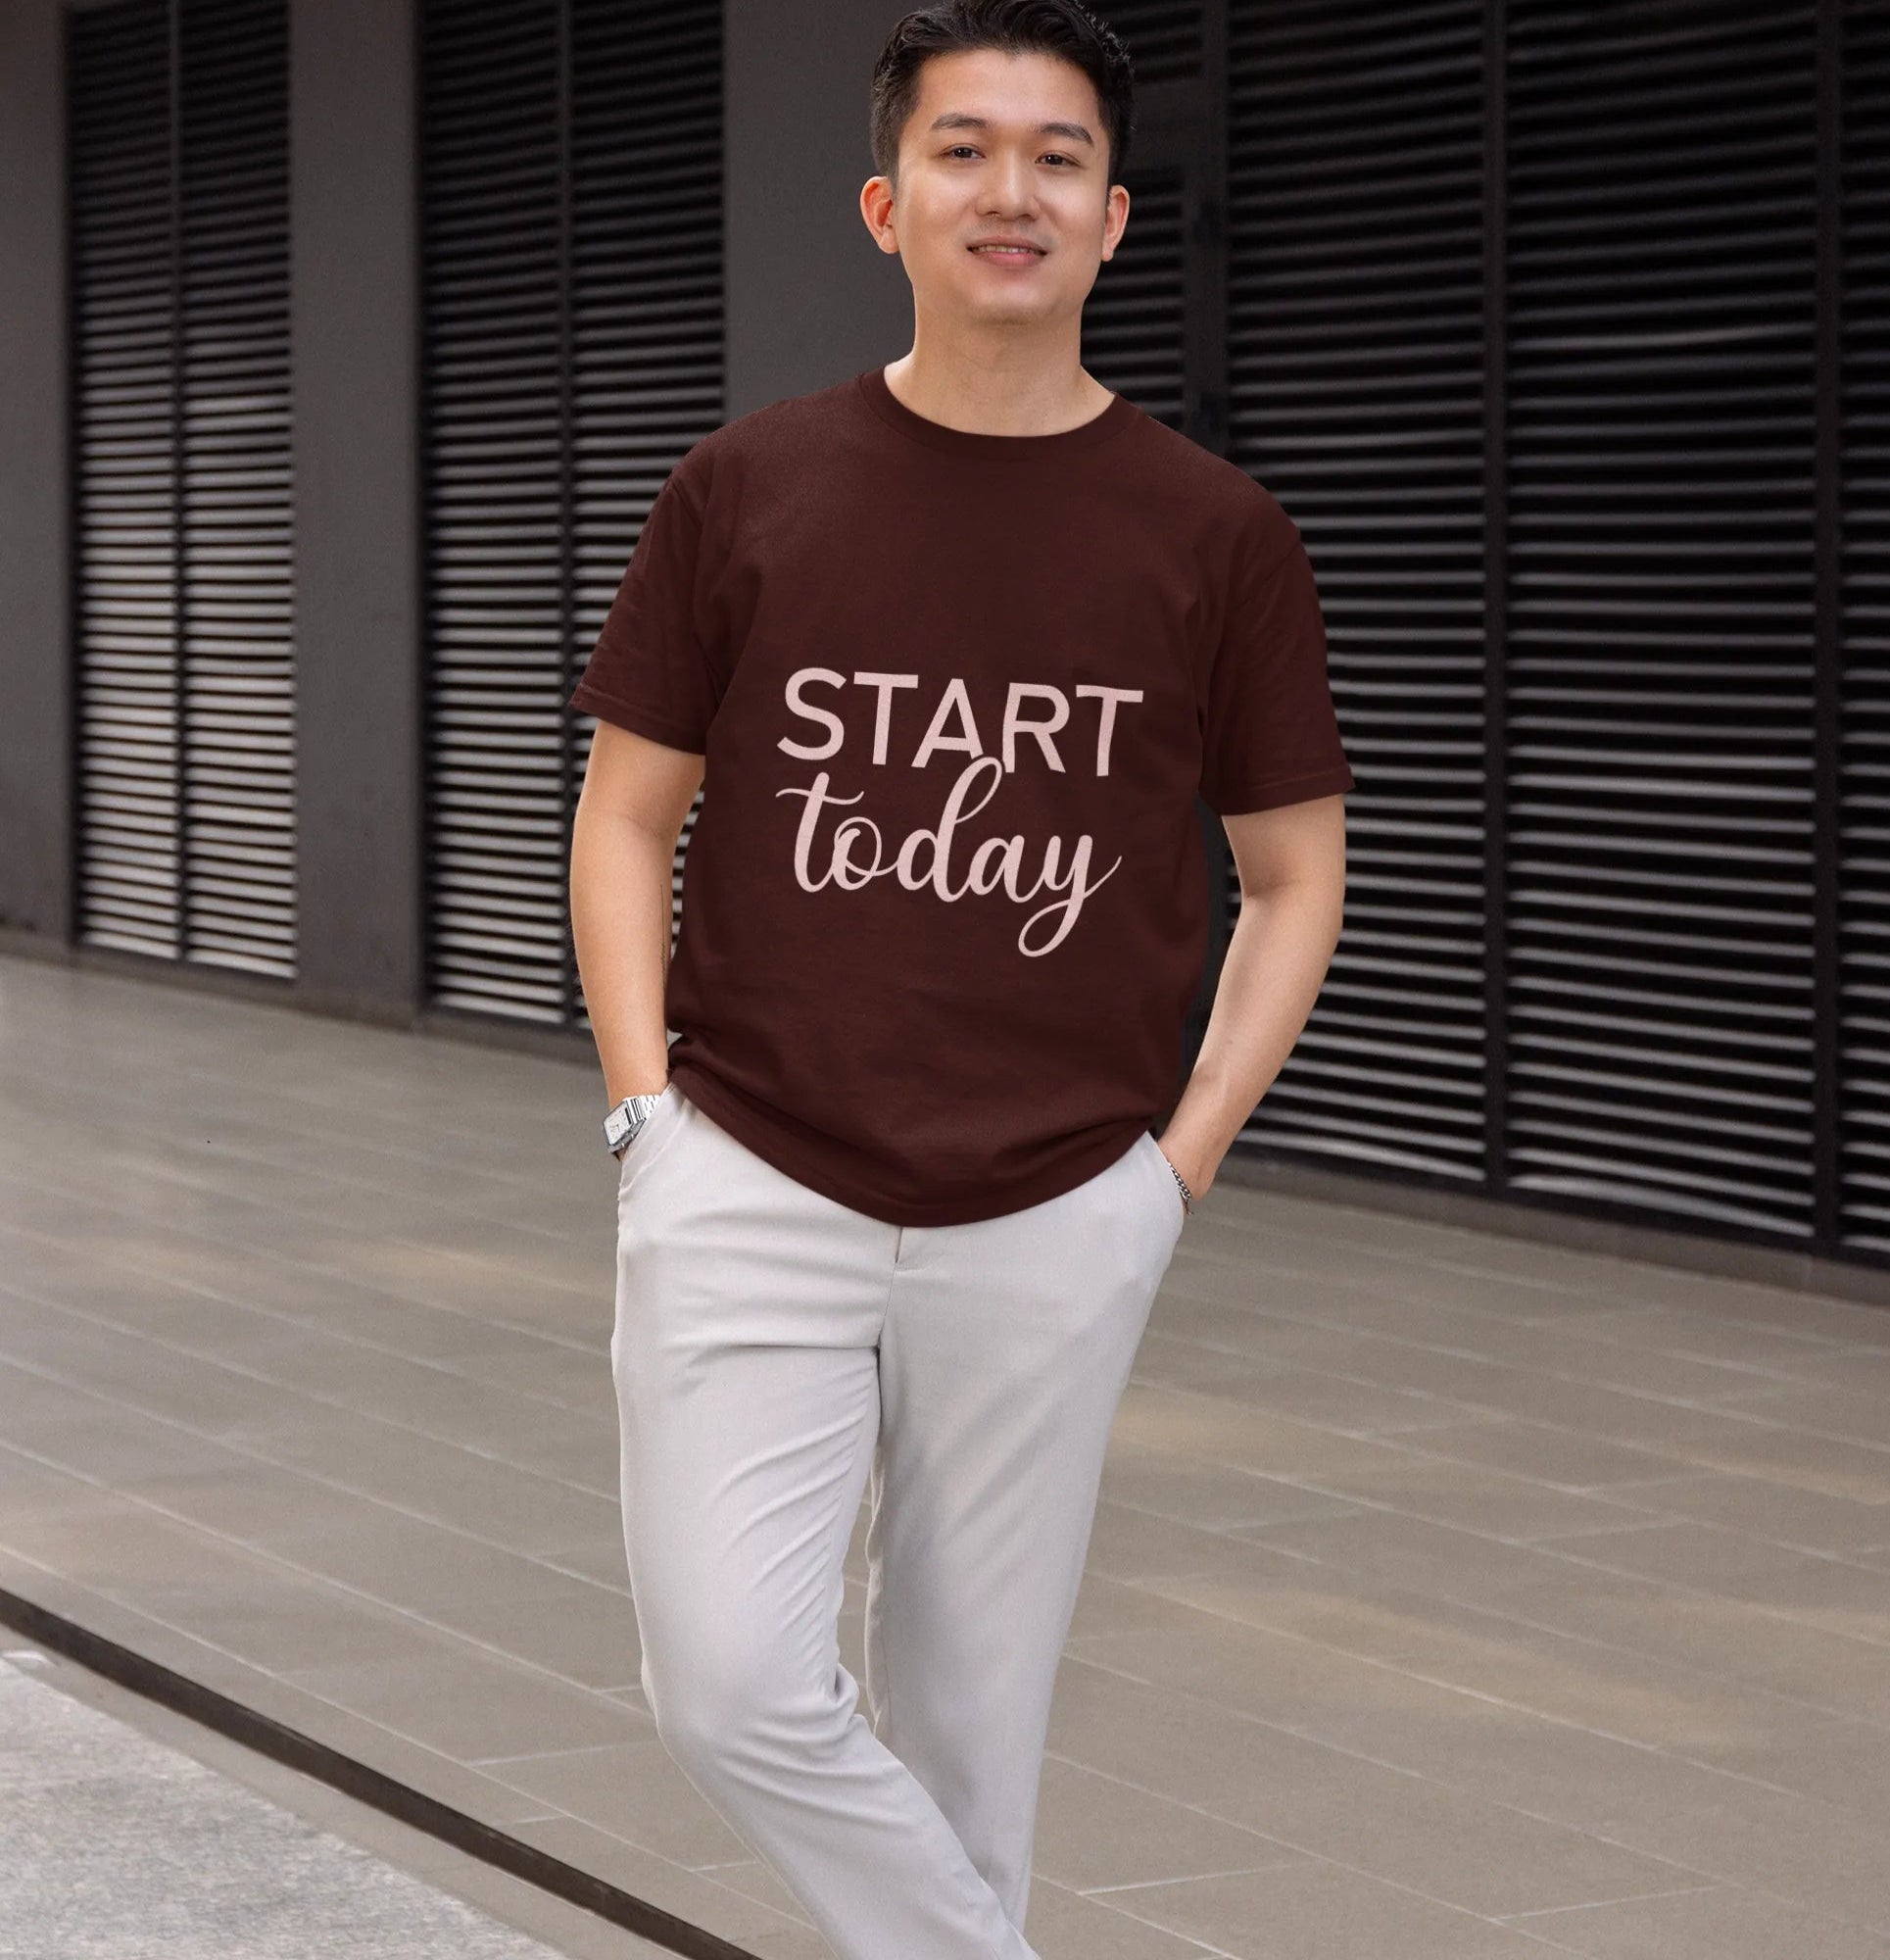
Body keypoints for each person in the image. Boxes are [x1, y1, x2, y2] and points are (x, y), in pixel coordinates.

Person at [564, 4, 1352, 1955]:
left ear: (1112, 219)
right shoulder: (744, 488)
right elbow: (620, 818)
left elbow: (1292, 873)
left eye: (1057, 156)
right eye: (965, 149)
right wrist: (647, 1112)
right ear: (884, 200)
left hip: (1058, 1202)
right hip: (750, 1165)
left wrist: (1169, 1175)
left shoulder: (1215, 532)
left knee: (971, 1728)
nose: (1011, 190)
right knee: (733, 1683)